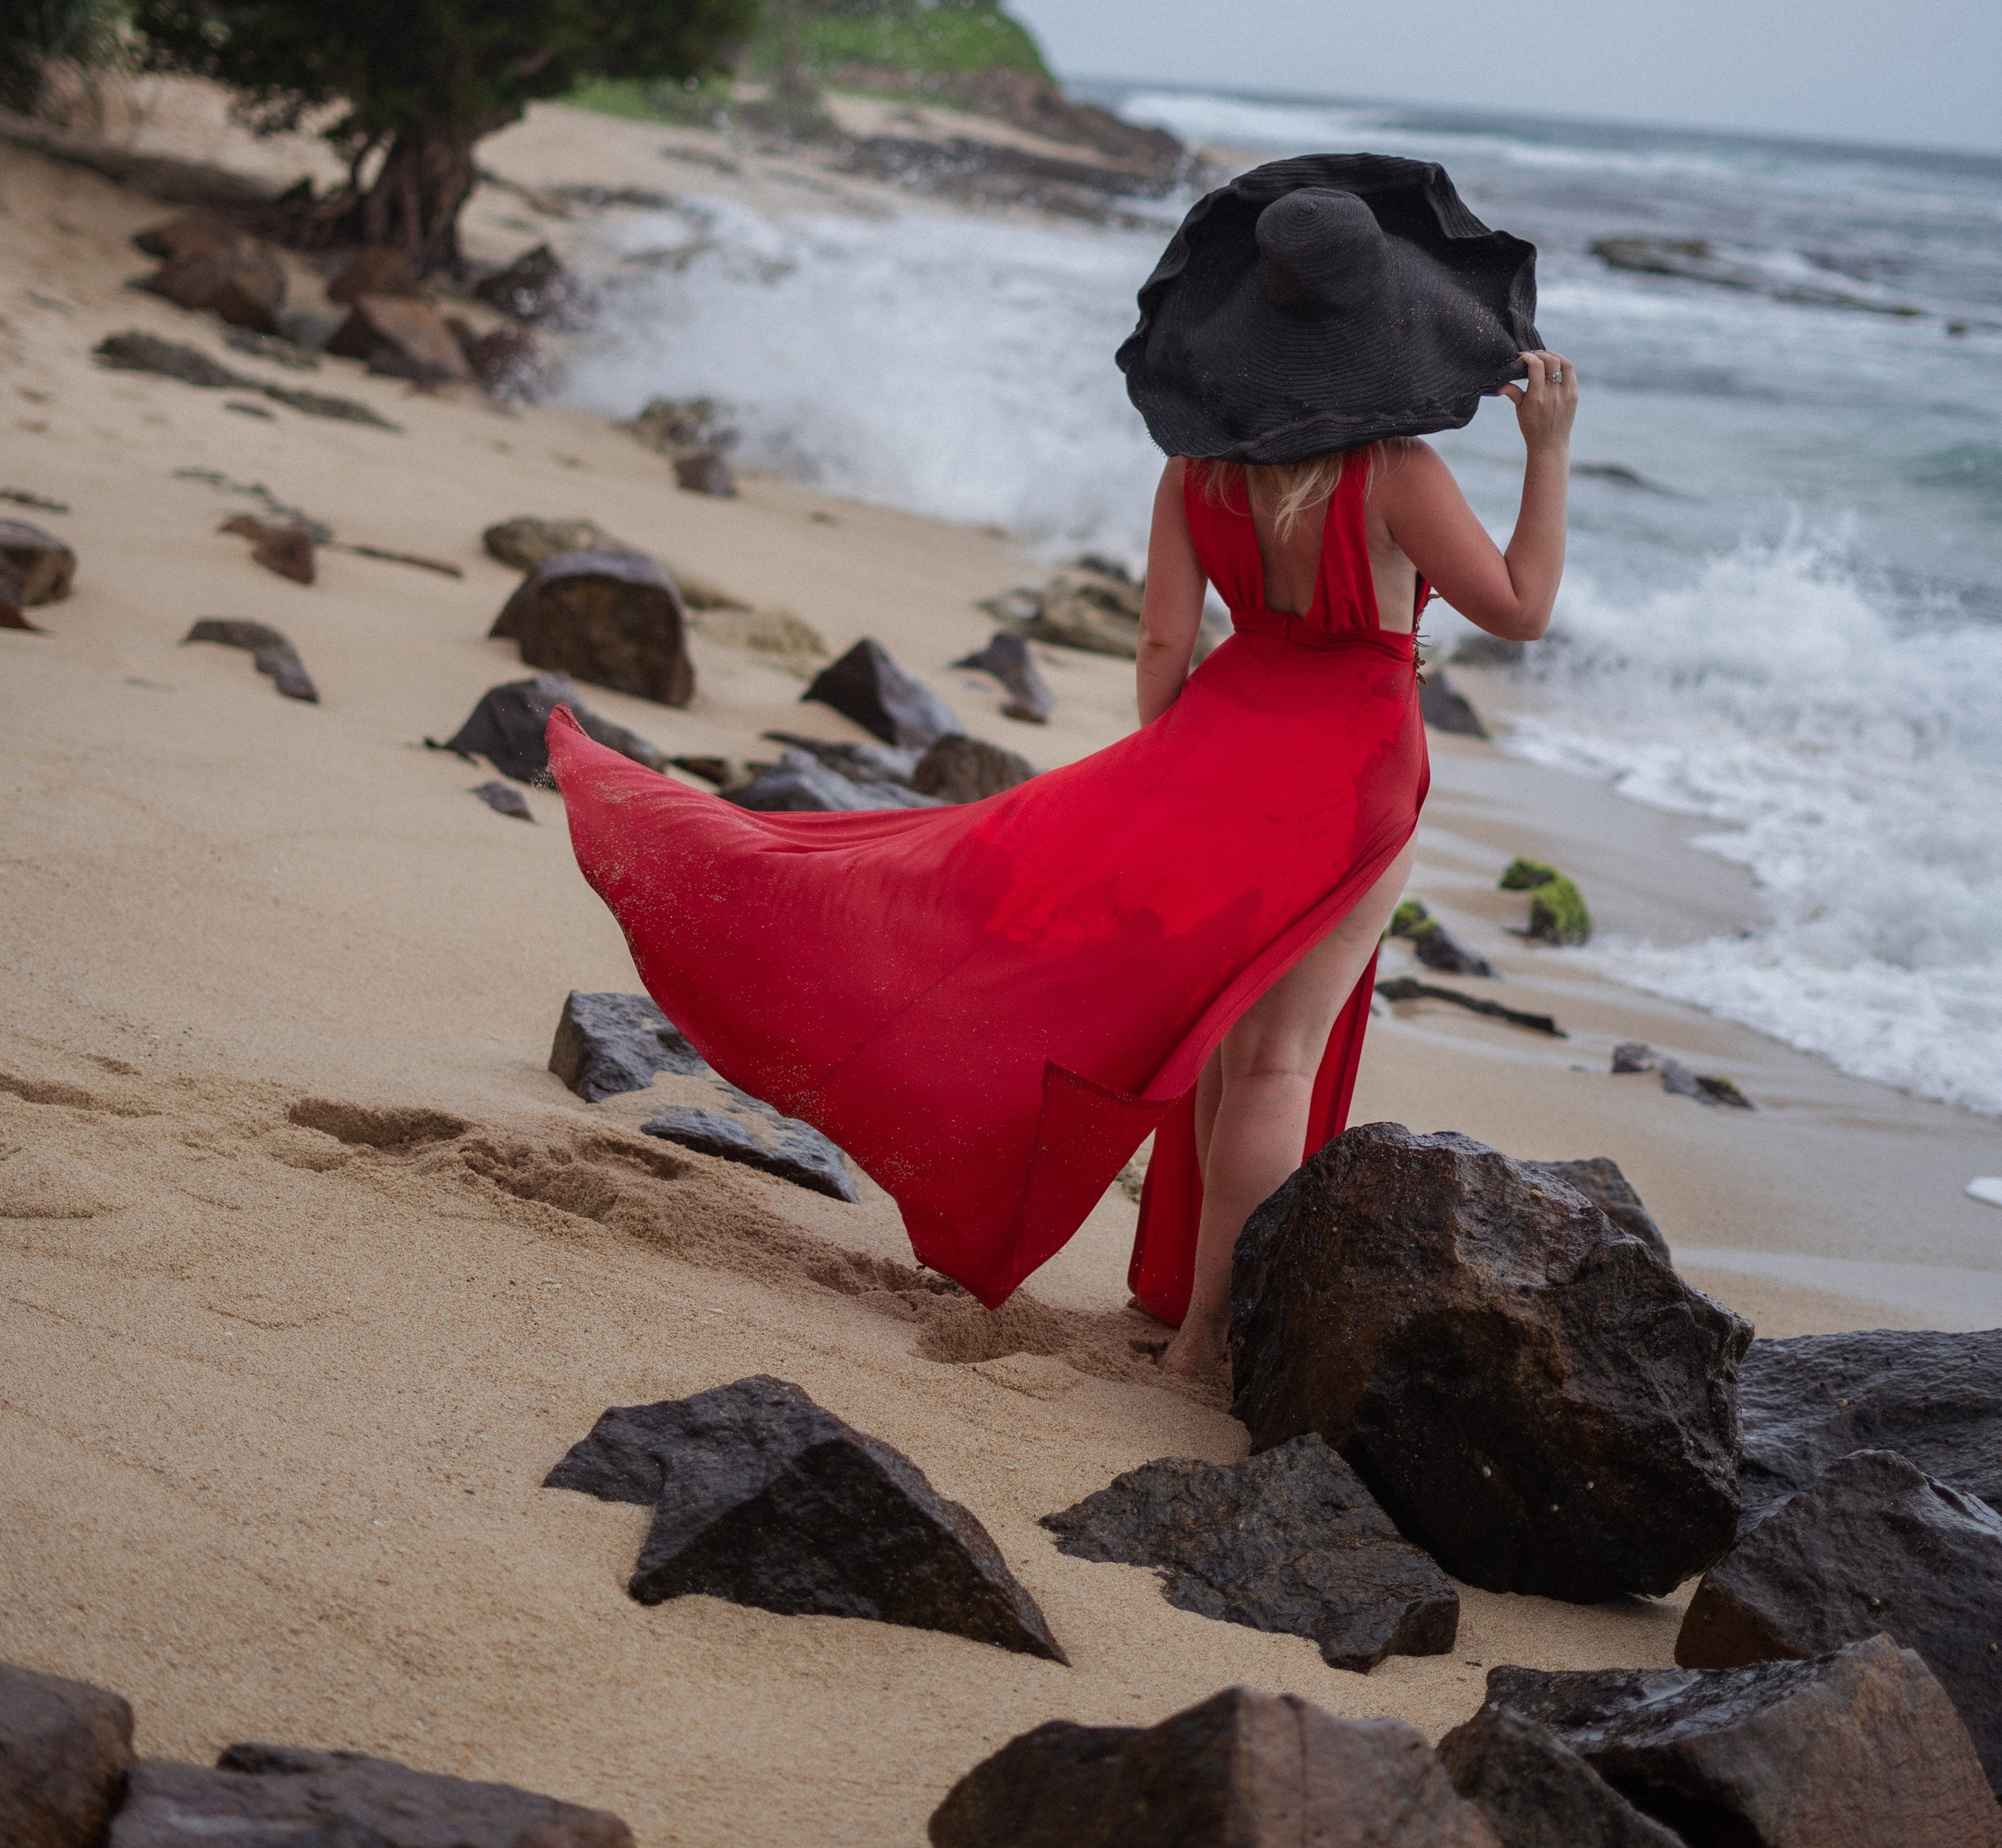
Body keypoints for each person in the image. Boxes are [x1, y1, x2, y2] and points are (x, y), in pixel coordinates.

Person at [547, 151, 1574, 1380]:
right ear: (1389, 324)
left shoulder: (1196, 467)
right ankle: (1206, 1340)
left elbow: (1162, 644)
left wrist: (1164, 778)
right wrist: (1549, 449)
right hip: (1351, 773)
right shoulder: (1399, 474)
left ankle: (1192, 1309)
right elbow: (1520, 608)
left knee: (1222, 1042)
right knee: (1278, 1061)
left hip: (1213, 743)